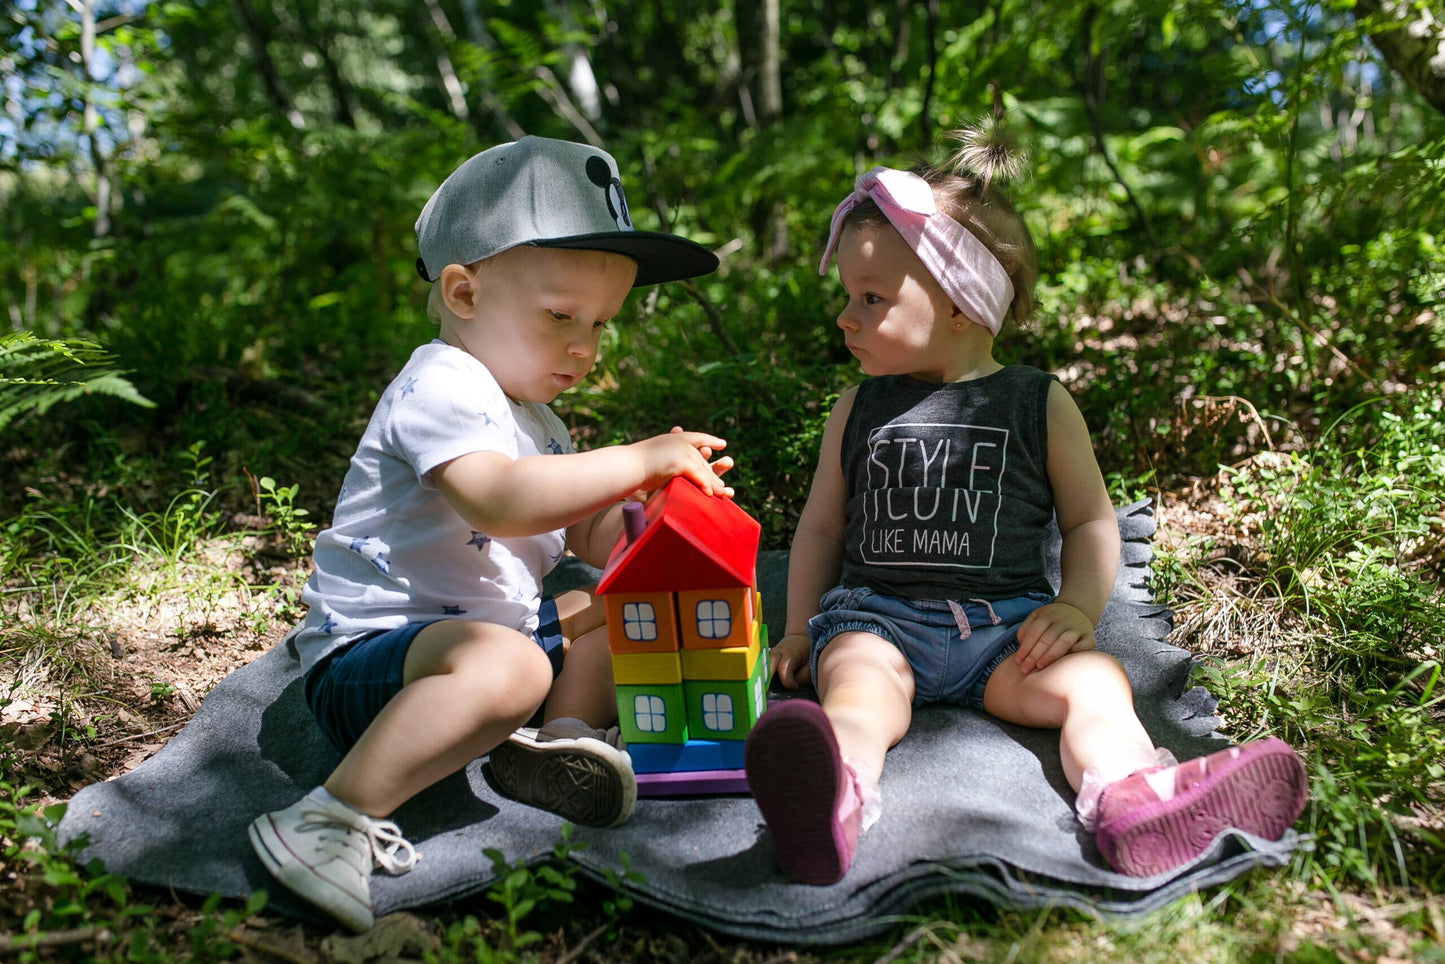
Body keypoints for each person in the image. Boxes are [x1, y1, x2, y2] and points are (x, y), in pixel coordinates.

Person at [743, 126, 1308, 886]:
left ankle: (1130, 797)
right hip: (880, 619)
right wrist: (796, 628)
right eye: (848, 297)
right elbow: (820, 525)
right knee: (857, 692)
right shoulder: (858, 406)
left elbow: (1088, 520)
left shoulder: (1036, 402)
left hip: (1006, 631)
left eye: (870, 298)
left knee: (1096, 684)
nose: (845, 317)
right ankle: (831, 799)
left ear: (960, 302)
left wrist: (1076, 606)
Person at [248, 136, 733, 931]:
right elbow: (501, 501)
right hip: (379, 656)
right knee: (507, 664)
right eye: (560, 317)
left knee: (622, 603)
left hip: (485, 642)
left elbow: (580, 529)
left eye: (602, 323)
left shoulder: (534, 416)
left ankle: (562, 741)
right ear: (464, 293)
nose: (586, 347)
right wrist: (632, 455)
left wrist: (650, 515)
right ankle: (327, 818)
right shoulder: (439, 382)